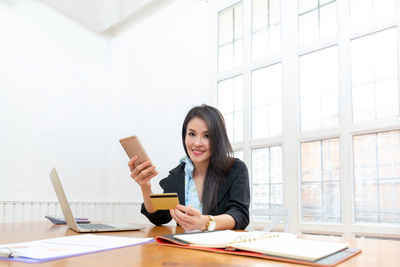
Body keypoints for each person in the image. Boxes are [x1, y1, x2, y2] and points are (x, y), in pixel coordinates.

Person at [128, 104, 250, 231]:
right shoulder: (178, 174)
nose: (197, 143)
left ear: (218, 139)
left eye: (207, 136)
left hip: (221, 247)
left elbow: (240, 215)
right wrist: (145, 186)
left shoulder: (236, 169)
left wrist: (206, 222)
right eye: (192, 134)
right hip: (184, 248)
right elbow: (159, 217)